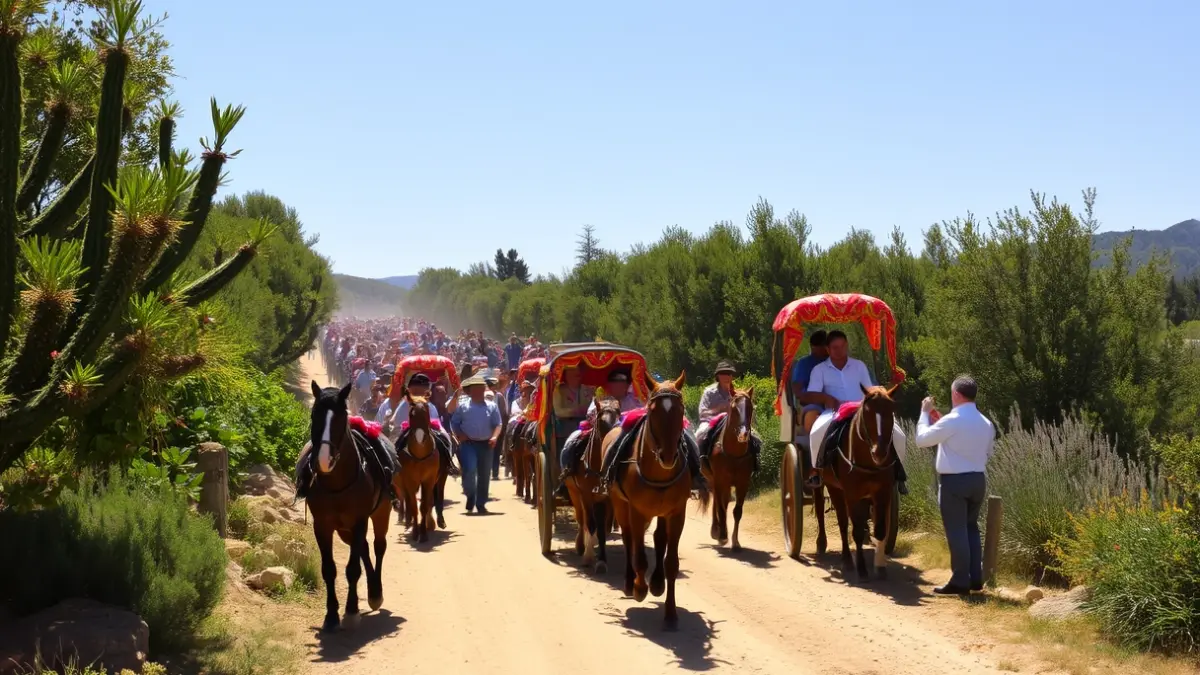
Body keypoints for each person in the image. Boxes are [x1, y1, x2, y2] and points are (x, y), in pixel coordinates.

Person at [798, 330, 908, 494]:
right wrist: (826, 397)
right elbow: (812, 393)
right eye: (835, 347)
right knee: (817, 431)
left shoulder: (859, 366)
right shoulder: (819, 370)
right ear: (828, 349)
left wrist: (881, 391)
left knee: (898, 432)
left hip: (863, 409)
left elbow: (869, 387)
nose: (839, 350)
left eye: (843, 346)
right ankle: (817, 470)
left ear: (847, 346)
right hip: (835, 411)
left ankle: (899, 472)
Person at [449, 374, 503, 514]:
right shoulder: (463, 407)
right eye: (476, 388)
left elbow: (498, 424)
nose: (479, 391)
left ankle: (481, 503)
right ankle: (470, 496)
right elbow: (455, 422)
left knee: (484, 475)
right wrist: (460, 435)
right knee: (470, 469)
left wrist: (495, 437)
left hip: (487, 444)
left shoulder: (492, 406)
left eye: (481, 388)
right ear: (470, 391)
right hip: (469, 444)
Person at [789, 330, 829, 432]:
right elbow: (797, 391)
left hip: (839, 401)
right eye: (822, 346)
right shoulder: (804, 364)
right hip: (813, 404)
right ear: (813, 347)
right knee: (813, 413)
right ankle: (816, 442)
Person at [487, 374, 509, 479]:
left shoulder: (499, 397)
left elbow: (504, 413)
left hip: (497, 427)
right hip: (485, 429)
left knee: (496, 451)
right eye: (492, 385)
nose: (493, 387)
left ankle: (495, 473)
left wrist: (502, 427)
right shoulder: (483, 396)